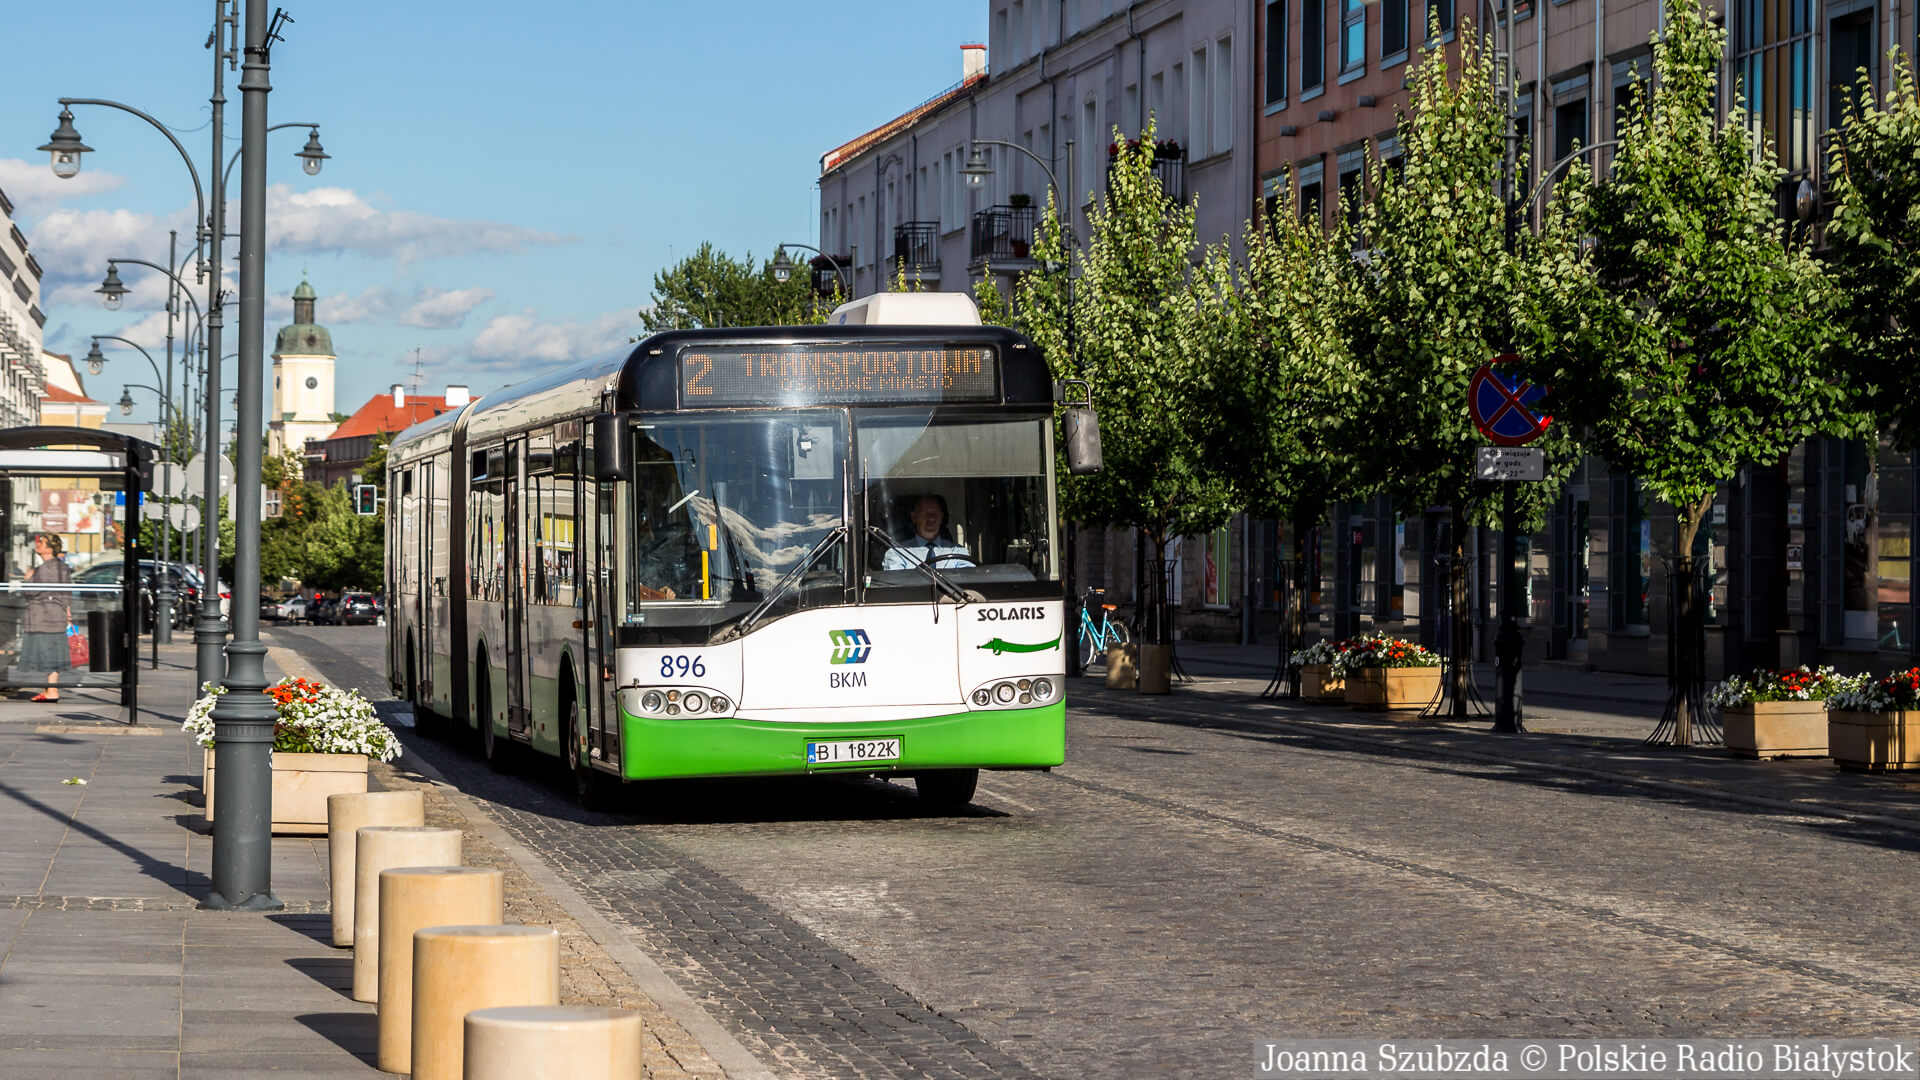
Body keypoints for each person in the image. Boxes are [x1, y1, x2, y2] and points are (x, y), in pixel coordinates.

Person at [22, 533, 71, 701]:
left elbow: (30, 591)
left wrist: (27, 579)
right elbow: (67, 593)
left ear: (48, 549)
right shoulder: (62, 567)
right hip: (57, 614)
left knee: (47, 652)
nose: (38, 544)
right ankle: (51, 689)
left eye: (41, 542)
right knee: (53, 651)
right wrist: (67, 613)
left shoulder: (44, 569)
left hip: (44, 616)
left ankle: (51, 690)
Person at [881, 494, 973, 570]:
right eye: (925, 514)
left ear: (941, 517)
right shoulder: (898, 553)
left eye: (935, 513)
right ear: (914, 517)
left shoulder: (958, 552)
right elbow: (899, 588)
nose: (931, 518)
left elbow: (967, 584)